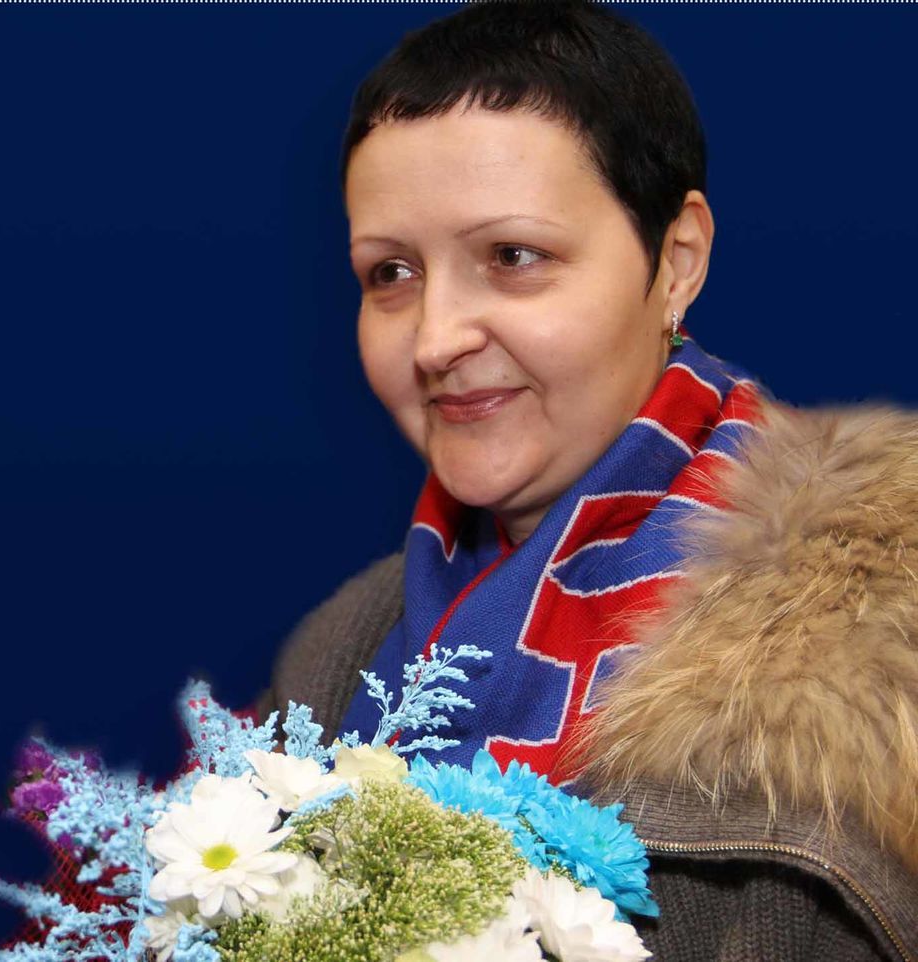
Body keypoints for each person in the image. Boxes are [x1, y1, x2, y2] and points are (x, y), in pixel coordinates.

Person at [255, 2, 918, 959]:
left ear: (676, 262)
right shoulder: (335, 658)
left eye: (513, 258)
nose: (436, 339)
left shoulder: (876, 672)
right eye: (391, 273)